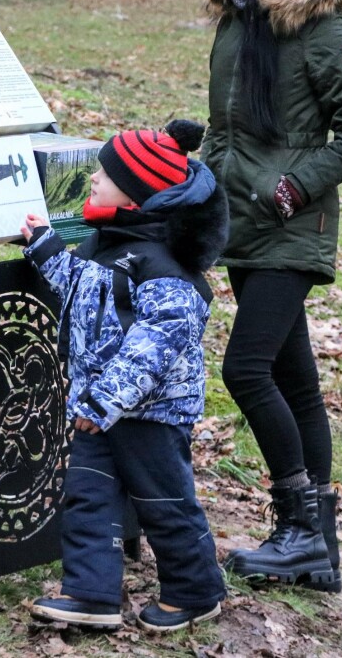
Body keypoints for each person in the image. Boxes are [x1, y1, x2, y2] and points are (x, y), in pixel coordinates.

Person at [199, 0, 342, 591]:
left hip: (291, 221)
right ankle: (320, 550)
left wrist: (294, 183)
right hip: (240, 220)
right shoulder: (234, 21)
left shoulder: (324, 29)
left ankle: (298, 528)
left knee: (246, 368)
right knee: (295, 379)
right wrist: (199, 170)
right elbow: (227, 127)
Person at [22, 120, 229, 633]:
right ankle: (90, 594)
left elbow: (156, 344)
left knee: (164, 503)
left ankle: (196, 590)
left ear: (137, 193)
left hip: (148, 414)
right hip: (98, 408)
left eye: (106, 174)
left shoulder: (163, 267)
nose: (94, 179)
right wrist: (48, 252)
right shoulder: (105, 245)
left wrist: (104, 400)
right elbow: (85, 294)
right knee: (88, 495)